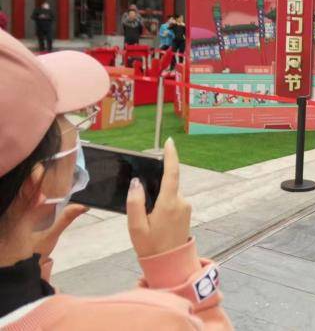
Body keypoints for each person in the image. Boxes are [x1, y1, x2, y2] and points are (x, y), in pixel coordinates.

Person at [0, 30, 232, 329]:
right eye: (64, 119)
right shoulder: (145, 322)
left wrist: (29, 260)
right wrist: (176, 271)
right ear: (36, 185)